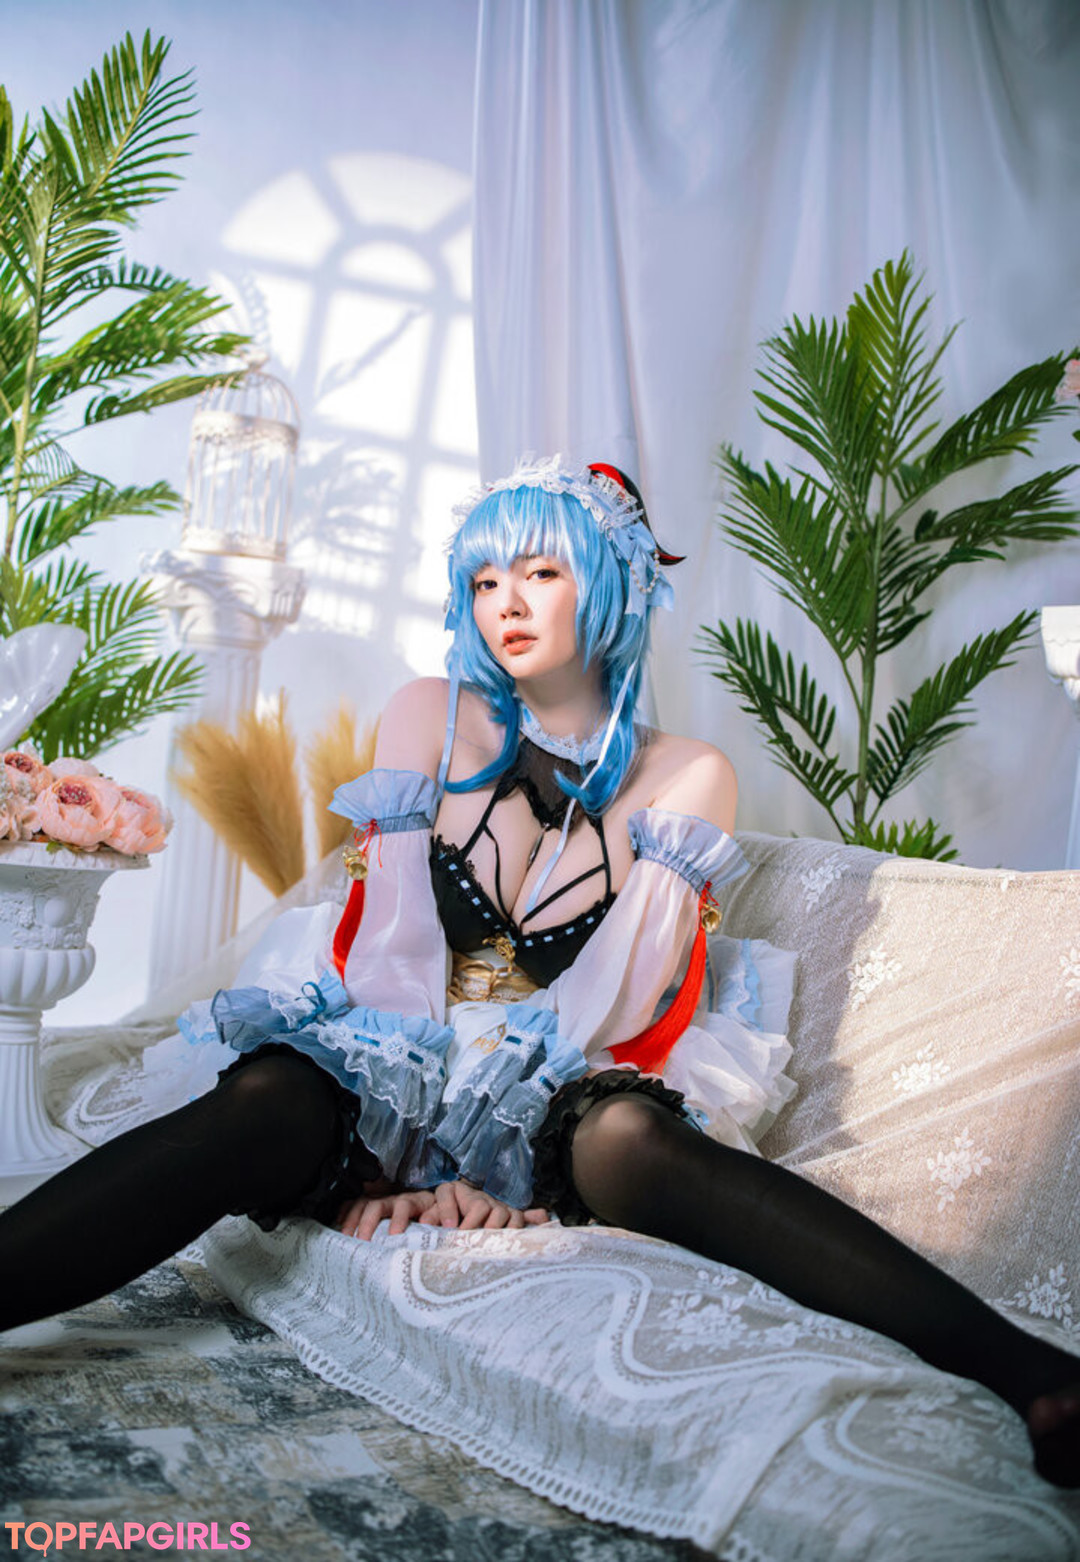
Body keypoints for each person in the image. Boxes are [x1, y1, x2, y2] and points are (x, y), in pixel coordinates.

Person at [0, 456, 1077, 1489]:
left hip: (558, 1074)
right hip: (393, 1046)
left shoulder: (688, 775)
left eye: (540, 571)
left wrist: (497, 1169)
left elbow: (627, 1001)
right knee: (271, 1096)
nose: (504, 602)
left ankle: (1034, 1379)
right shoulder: (430, 713)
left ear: (607, 586)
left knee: (630, 1136)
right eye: (483, 579)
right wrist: (402, 1161)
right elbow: (391, 944)